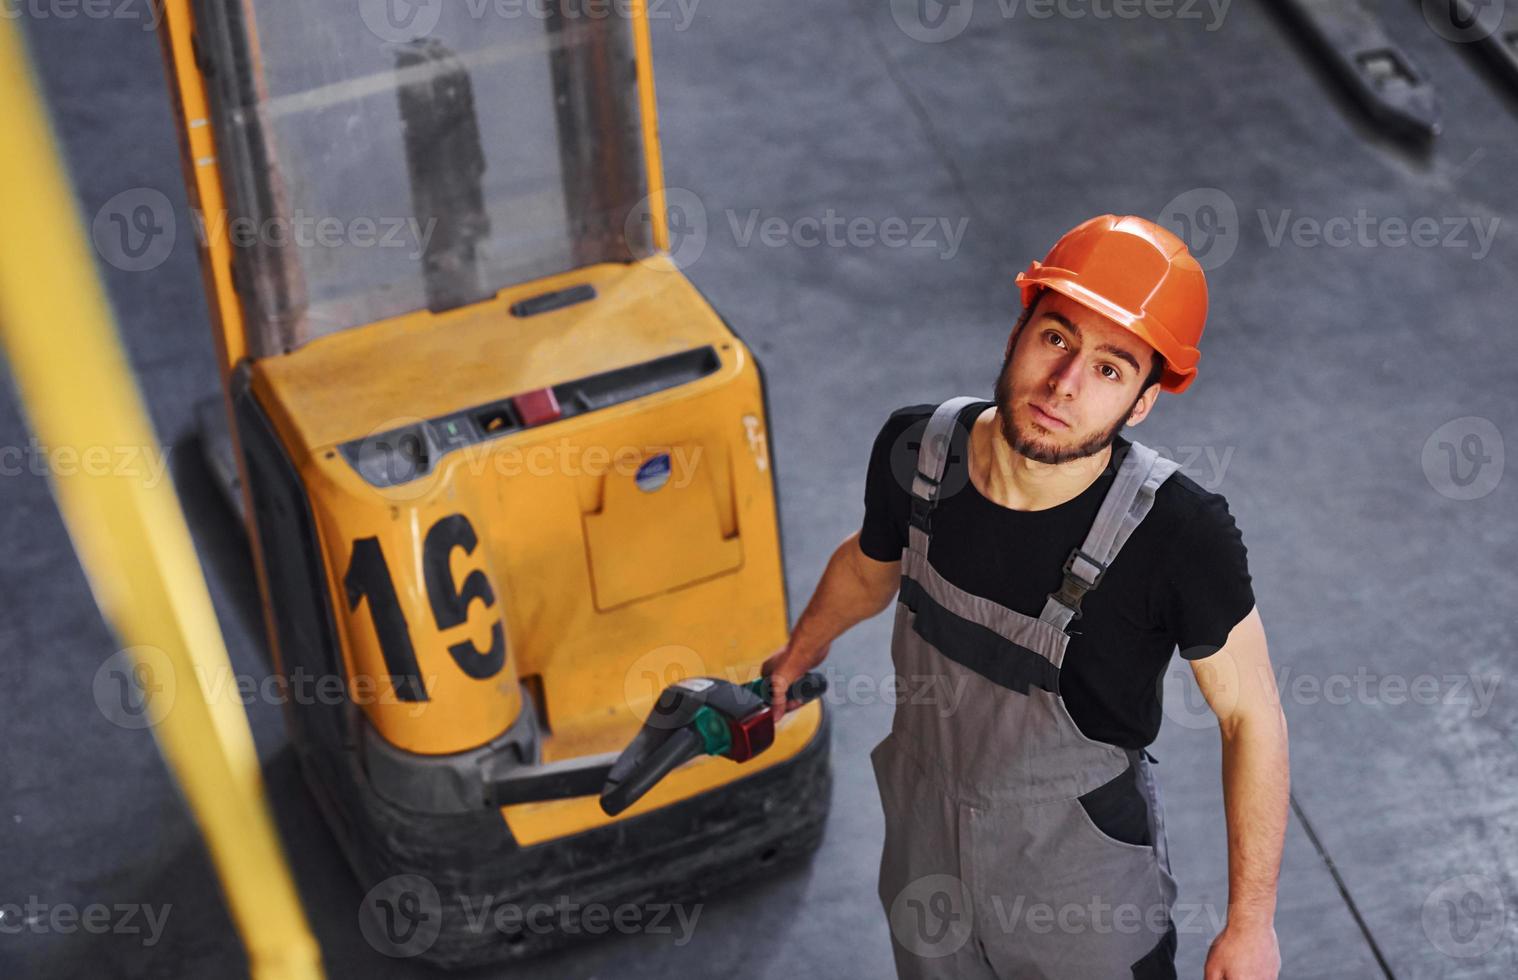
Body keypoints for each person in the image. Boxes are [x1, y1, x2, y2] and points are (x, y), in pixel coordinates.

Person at [764, 215, 1289, 979]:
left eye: (1110, 370)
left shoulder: (1178, 533)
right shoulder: (918, 452)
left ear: (1143, 401)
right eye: (1056, 339)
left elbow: (1252, 716)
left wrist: (1252, 925)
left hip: (1077, 884)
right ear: (1020, 332)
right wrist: (796, 654)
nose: (1065, 385)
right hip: (925, 847)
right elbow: (870, 565)